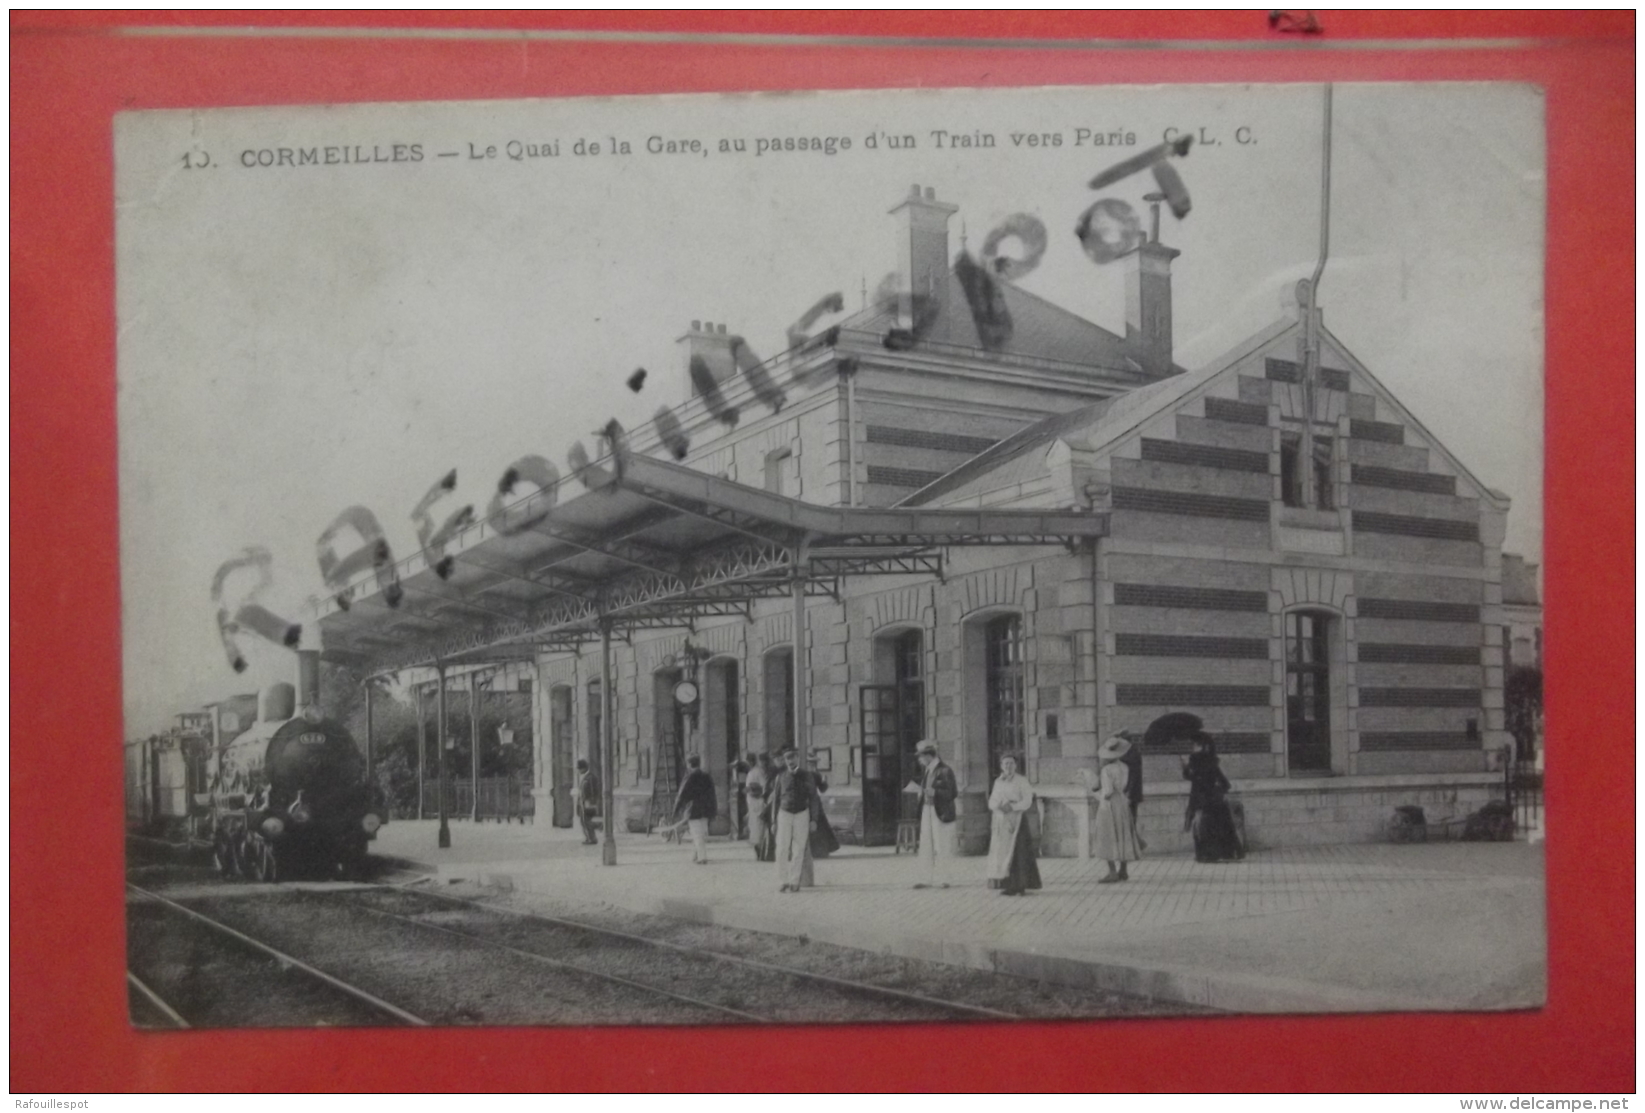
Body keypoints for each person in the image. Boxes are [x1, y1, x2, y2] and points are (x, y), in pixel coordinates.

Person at [1182, 732, 1244, 863]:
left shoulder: (1195, 760)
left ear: (1202, 746)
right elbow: (1226, 784)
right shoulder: (1211, 762)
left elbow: (1192, 778)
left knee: (1201, 828)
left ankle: (1205, 855)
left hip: (1201, 801)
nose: (1193, 747)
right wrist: (1217, 790)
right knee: (1216, 828)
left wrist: (1186, 766)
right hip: (1214, 802)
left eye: (1196, 744)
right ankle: (1220, 854)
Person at [986, 753, 1041, 897]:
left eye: (1011, 763)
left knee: (1019, 852)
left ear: (1016, 766)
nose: (1008, 767)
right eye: (1005, 764)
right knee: (1002, 852)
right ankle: (1007, 884)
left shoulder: (1021, 781)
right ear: (1001, 766)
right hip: (1001, 821)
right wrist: (998, 806)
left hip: (1017, 820)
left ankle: (1020, 885)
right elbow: (992, 800)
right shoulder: (998, 782)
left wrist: (1012, 806)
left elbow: (1027, 801)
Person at [1091, 734, 1143, 883]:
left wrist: (1095, 793)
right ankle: (1124, 870)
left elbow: (1107, 792)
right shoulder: (1125, 767)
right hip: (1122, 801)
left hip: (1109, 805)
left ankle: (1112, 872)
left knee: (1108, 835)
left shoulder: (1106, 770)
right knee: (1123, 833)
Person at [769, 745, 820, 893]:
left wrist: (814, 819)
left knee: (799, 848)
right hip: (784, 814)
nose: (790, 761)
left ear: (798, 758)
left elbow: (814, 798)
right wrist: (774, 821)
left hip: (802, 814)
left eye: (793, 758)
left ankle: (794, 881)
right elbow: (776, 800)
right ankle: (782, 881)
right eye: (787, 758)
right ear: (784, 760)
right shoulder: (781, 777)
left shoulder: (807, 776)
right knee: (782, 848)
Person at [913, 739, 958, 890]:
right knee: (926, 844)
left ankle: (944, 879)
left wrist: (935, 792)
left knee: (942, 845)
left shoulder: (945, 770)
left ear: (929, 756)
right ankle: (925, 878)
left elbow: (952, 792)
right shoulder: (928, 771)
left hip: (941, 812)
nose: (920, 760)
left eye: (921, 757)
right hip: (927, 810)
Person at [672, 754, 717, 865]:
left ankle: (702, 857)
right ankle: (695, 855)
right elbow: (712, 794)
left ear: (689, 764)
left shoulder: (689, 777)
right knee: (701, 833)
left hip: (693, 810)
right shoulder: (707, 776)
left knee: (697, 834)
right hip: (706, 809)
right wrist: (713, 810)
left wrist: (675, 810)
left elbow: (681, 794)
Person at [744, 751, 772, 861]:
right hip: (752, 803)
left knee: (758, 829)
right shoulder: (752, 772)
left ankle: (760, 852)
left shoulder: (757, 772)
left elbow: (763, 786)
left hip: (757, 802)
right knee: (754, 828)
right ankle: (759, 852)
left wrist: (754, 791)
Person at [574, 759, 599, 845]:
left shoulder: (590, 777)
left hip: (588, 802)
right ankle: (590, 837)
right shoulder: (586, 777)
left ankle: (592, 837)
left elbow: (593, 791)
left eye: (579, 769)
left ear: (584, 768)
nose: (578, 771)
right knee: (584, 821)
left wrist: (591, 802)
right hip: (583, 802)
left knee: (586, 820)